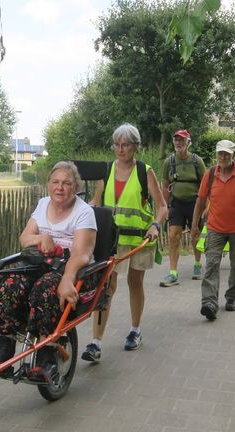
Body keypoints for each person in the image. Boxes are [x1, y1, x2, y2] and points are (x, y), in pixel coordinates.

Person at [0, 161, 97, 381]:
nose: (60, 188)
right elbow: (25, 239)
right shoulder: (43, 204)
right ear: (48, 184)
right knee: (9, 283)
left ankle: (47, 360)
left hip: (70, 267)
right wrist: (41, 238)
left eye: (66, 183)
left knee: (45, 289)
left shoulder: (84, 212)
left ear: (75, 187)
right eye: (55, 182)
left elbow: (82, 254)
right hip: (39, 264)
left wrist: (67, 279)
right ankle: (3, 355)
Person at [81, 124, 168, 362]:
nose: (121, 149)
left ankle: (135, 330)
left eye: (126, 144)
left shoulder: (144, 171)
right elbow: (95, 202)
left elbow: (162, 206)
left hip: (140, 239)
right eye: (117, 144)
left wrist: (155, 225)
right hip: (111, 240)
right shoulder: (107, 170)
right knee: (106, 286)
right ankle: (96, 342)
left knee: (135, 282)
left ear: (135, 147)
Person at [191, 139, 235, 321]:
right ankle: (209, 303)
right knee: (212, 264)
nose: (223, 157)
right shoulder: (210, 173)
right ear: (216, 155)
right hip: (215, 227)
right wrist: (194, 226)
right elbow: (200, 201)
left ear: (233, 156)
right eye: (220, 154)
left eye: (227, 154)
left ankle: (231, 297)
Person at [160, 129, 206, 286]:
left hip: (195, 203)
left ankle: (198, 264)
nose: (178, 143)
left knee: (195, 235)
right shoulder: (169, 162)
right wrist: (164, 206)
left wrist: (205, 207)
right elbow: (165, 185)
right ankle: (173, 272)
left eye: (182, 140)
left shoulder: (196, 161)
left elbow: (205, 185)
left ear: (188, 143)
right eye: (176, 140)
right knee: (173, 235)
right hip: (177, 203)